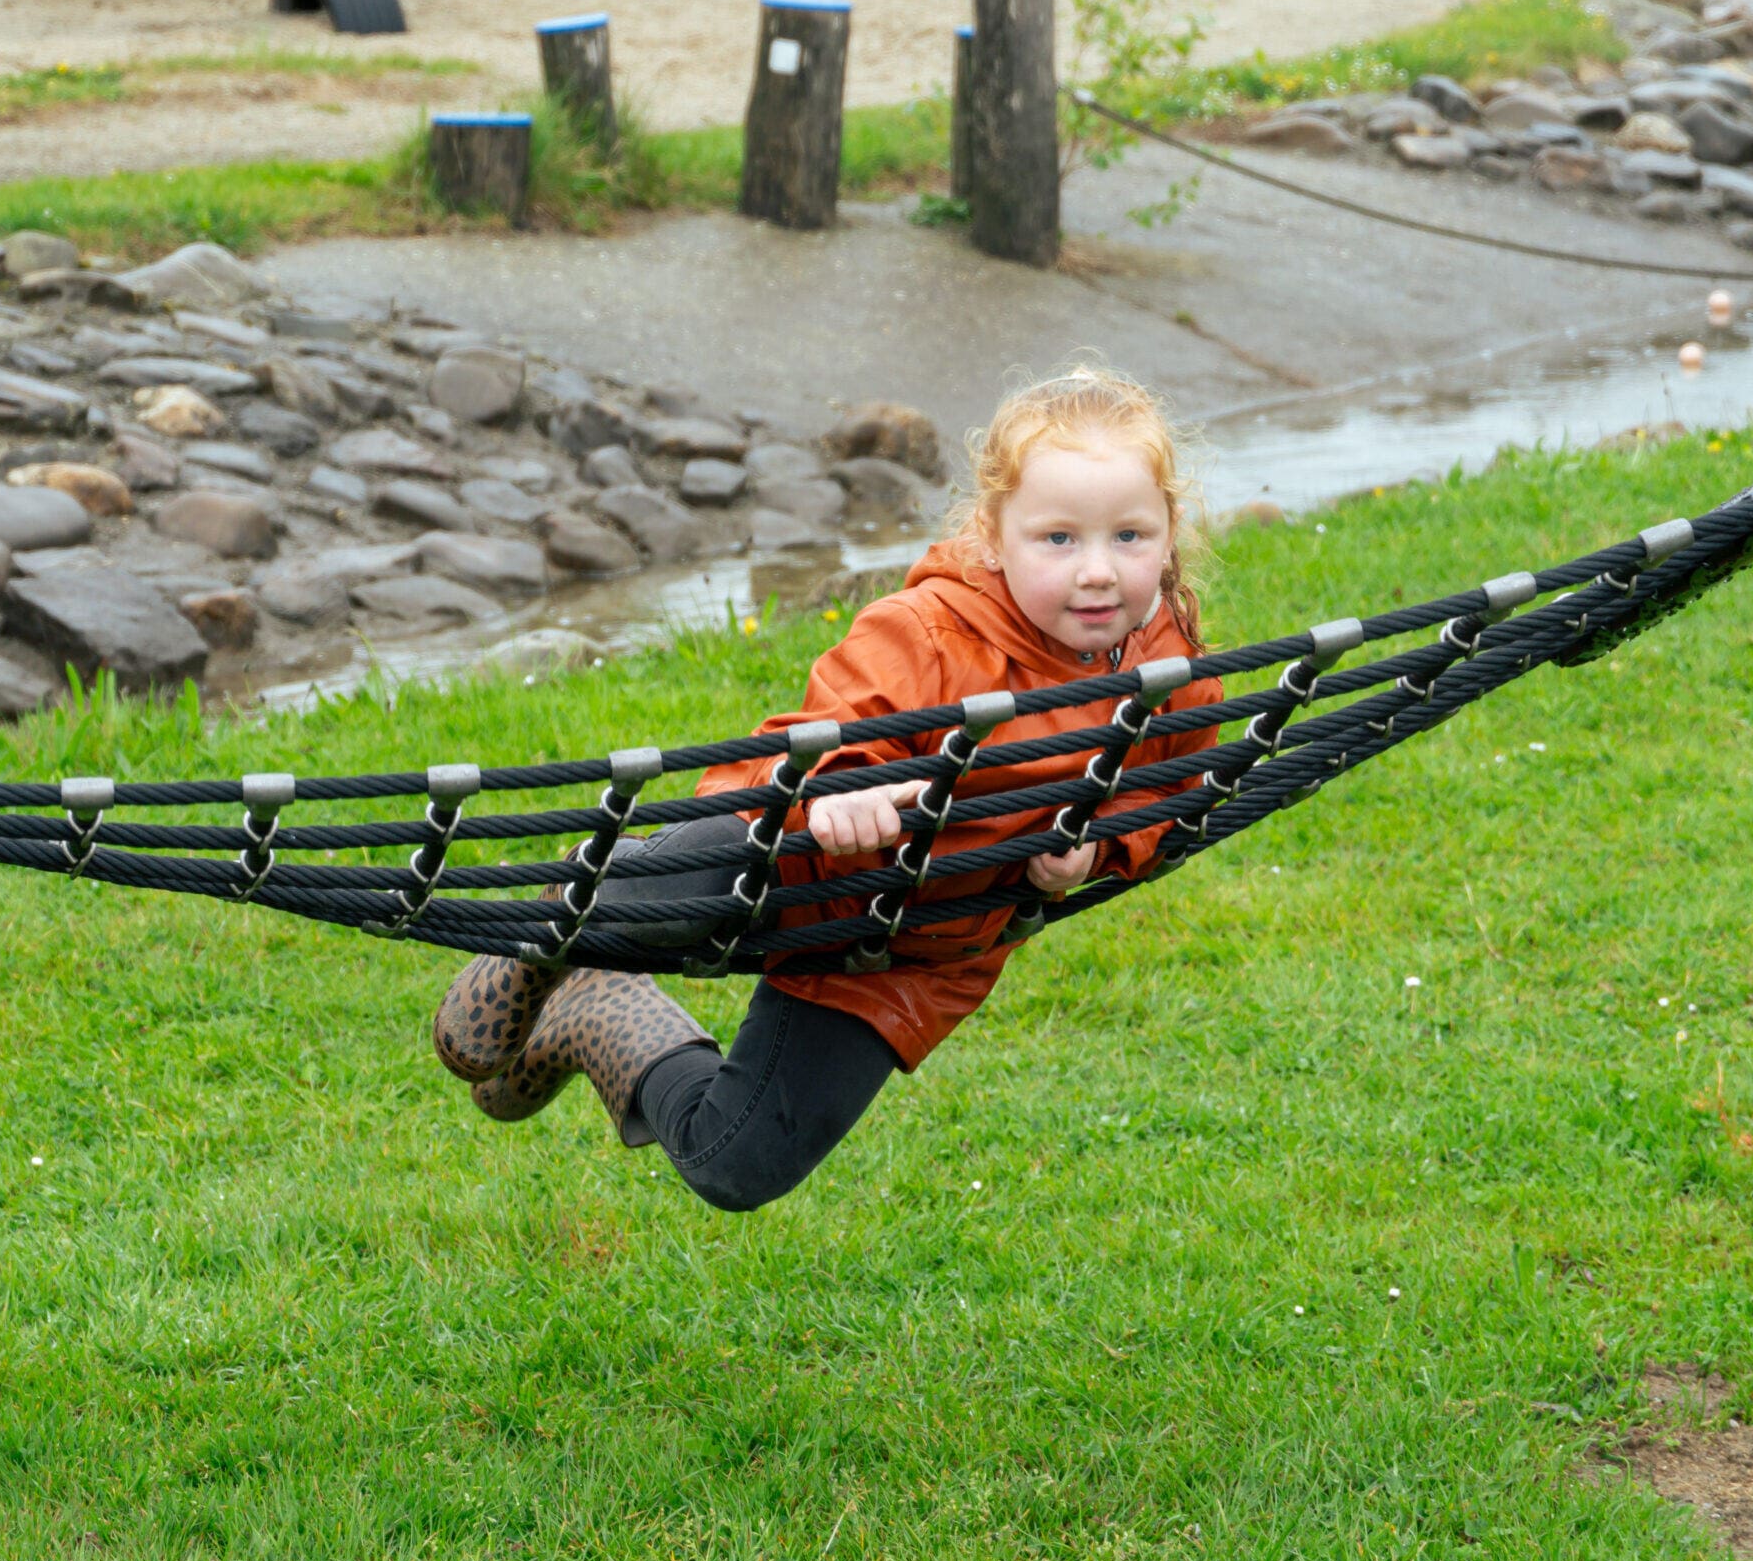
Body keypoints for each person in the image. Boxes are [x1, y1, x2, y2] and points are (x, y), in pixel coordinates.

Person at [431, 368, 1225, 1210]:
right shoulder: (931, 631)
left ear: (1170, 531)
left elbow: (1170, 793)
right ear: (994, 536)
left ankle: (606, 1011)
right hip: (789, 855)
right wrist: (840, 788)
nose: (1098, 571)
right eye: (1059, 538)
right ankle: (574, 906)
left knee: (733, 1163)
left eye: (1129, 536)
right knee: (657, 897)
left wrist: (1104, 846)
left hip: (906, 945)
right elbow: (829, 725)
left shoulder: (1170, 672)